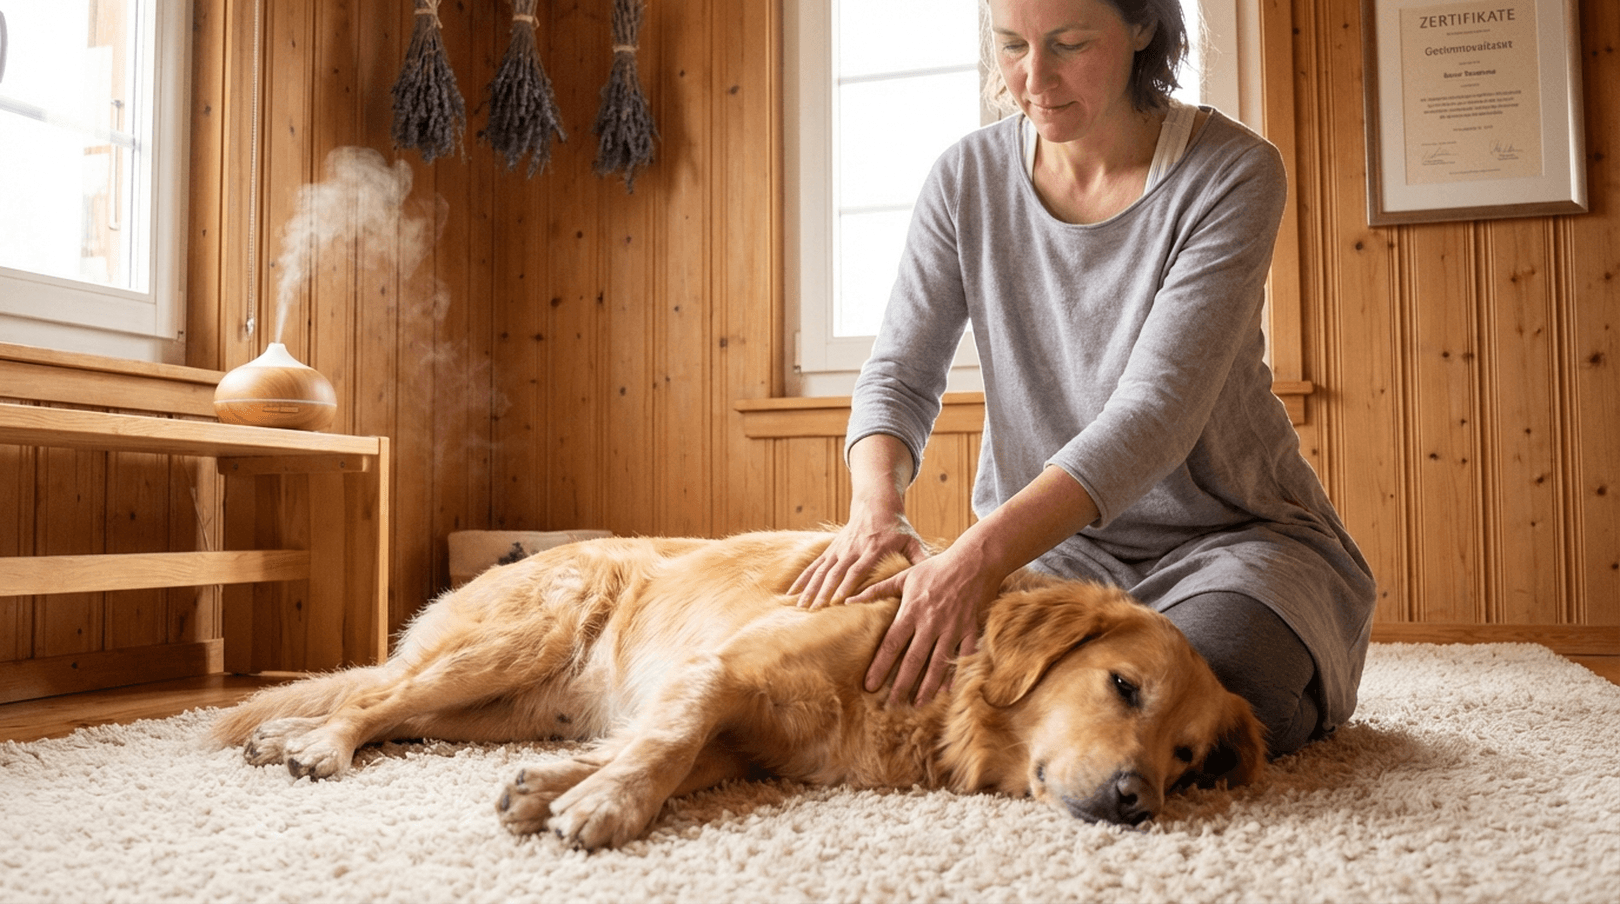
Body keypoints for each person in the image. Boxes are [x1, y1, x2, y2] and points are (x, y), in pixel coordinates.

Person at [790, 0, 1376, 757]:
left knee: (1210, 688)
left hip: (1231, 538)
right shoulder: (965, 178)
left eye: (1068, 45)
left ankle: (1302, 651)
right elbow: (899, 373)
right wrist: (875, 510)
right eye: (1011, 47)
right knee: (931, 682)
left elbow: (1155, 416)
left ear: (1141, 28)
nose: (1033, 79)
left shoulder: (1233, 171)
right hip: (1052, 552)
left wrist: (973, 556)